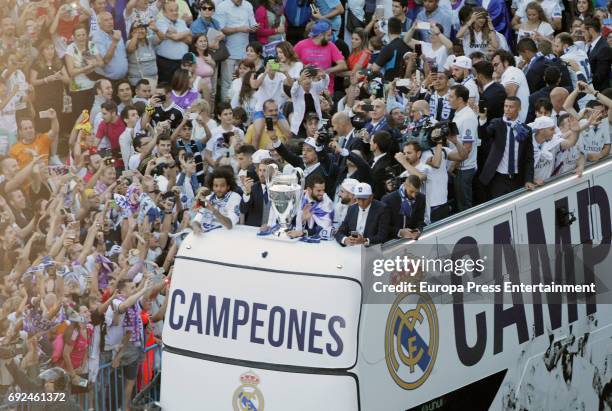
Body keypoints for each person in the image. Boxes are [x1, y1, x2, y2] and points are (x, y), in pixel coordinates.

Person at [478, 96, 535, 199]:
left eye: (511, 107)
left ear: (519, 109)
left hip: (518, 178)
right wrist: (482, 119)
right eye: (505, 106)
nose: (507, 109)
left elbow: (529, 157)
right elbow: (485, 136)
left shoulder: (526, 129)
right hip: (498, 177)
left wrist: (529, 179)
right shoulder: (497, 123)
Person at [216, 0, 258, 101]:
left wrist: (255, 27)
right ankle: (226, 109)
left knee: (245, 81)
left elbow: (253, 24)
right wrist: (239, 29)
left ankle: (242, 108)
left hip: (245, 52)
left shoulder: (248, 5)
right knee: (228, 83)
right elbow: (220, 29)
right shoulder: (222, 6)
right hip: (228, 52)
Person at [293, 20, 347, 94]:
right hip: (305, 88)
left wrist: (326, 71)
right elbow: (291, 60)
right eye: (328, 35)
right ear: (320, 35)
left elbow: (343, 65)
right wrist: (303, 66)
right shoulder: (301, 45)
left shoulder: (331, 46)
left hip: (325, 88)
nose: (331, 38)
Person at [448, 84, 477, 212]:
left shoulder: (468, 117)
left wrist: (452, 166)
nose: (448, 99)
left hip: (464, 168)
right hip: (458, 166)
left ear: (460, 99)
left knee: (464, 206)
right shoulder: (459, 113)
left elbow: (467, 147)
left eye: (451, 96)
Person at [335, 182, 390, 246]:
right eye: (358, 198)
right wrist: (345, 240)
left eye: (364, 199)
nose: (361, 202)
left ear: (371, 197)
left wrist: (364, 241)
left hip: (372, 250)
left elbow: (383, 236)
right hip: (353, 249)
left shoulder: (382, 209)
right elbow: (340, 231)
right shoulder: (352, 209)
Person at [154, 1, 192, 84]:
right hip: (166, 64)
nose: (175, 13)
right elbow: (175, 37)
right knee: (166, 89)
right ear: (164, 12)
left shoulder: (182, 22)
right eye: (171, 10)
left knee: (181, 87)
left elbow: (189, 40)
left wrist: (184, 33)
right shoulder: (160, 22)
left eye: (176, 10)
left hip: (181, 63)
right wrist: (186, 33)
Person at [382, 174, 426, 239]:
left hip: (411, 239)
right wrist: (400, 232)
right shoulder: (387, 200)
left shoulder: (421, 198)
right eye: (411, 191)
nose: (414, 195)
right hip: (392, 241)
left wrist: (418, 230)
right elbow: (383, 226)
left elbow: (420, 221)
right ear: (405, 185)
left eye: (416, 192)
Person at [492, 49, 530, 122]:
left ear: (506, 63)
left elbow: (510, 96)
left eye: (496, 65)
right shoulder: (508, 74)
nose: (494, 69)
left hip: (517, 122)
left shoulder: (512, 71)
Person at [91, 12, 128, 81]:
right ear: (99, 24)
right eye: (106, 20)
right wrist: (114, 42)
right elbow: (105, 60)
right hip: (108, 80)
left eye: (111, 19)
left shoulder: (117, 33)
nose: (110, 22)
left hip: (124, 78)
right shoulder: (96, 38)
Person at [126, 22, 159, 88]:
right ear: (132, 32)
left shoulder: (150, 40)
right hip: (137, 82)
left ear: (146, 31)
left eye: (142, 29)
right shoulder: (130, 42)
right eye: (137, 29)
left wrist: (156, 30)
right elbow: (130, 49)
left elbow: (162, 38)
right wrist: (135, 35)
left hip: (153, 81)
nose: (140, 31)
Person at [583, 17, 612, 91]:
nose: (583, 35)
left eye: (583, 32)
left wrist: (581, 75)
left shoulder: (604, 48)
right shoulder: (592, 46)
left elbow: (599, 77)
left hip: (600, 93)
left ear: (590, 30)